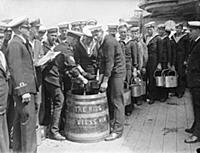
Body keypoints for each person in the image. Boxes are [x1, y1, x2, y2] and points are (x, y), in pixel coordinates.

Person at [42, 39, 88, 140]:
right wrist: (82, 79)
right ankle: (54, 131)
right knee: (59, 101)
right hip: (52, 78)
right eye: (77, 42)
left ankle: (60, 125)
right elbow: (72, 68)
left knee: (55, 102)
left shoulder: (60, 46)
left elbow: (64, 66)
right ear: (73, 40)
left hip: (49, 76)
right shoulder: (67, 51)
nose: (77, 44)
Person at [6, 16, 38, 153]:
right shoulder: (15, 44)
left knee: (21, 122)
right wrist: (23, 90)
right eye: (27, 27)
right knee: (28, 124)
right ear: (20, 29)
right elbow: (16, 68)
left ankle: (19, 150)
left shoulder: (21, 43)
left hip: (26, 89)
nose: (29, 29)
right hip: (24, 91)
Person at [89, 25, 126, 141]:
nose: (95, 37)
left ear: (101, 31)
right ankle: (112, 124)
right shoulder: (102, 42)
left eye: (97, 34)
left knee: (117, 100)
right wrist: (99, 78)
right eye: (93, 35)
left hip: (117, 73)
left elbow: (110, 63)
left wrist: (104, 81)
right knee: (111, 99)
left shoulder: (109, 42)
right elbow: (102, 62)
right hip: (111, 73)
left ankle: (118, 131)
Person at [184, 21, 200, 143]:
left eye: (191, 31)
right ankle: (195, 127)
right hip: (194, 81)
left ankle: (197, 134)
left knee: (198, 107)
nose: (189, 33)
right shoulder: (195, 42)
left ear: (198, 31)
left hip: (198, 81)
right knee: (195, 106)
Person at [144, 21, 163, 104]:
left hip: (154, 61)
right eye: (148, 29)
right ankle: (148, 94)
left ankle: (153, 97)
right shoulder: (146, 38)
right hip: (147, 61)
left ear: (154, 29)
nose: (149, 31)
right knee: (147, 78)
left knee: (152, 79)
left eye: (150, 29)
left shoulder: (158, 38)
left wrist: (159, 63)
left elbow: (160, 52)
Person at [171, 23, 190, 98]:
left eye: (179, 28)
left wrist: (186, 60)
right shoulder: (173, 37)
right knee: (174, 74)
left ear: (182, 29)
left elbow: (187, 50)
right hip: (174, 58)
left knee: (181, 74)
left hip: (181, 58)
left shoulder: (185, 38)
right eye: (177, 28)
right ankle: (174, 90)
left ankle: (180, 91)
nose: (178, 30)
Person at [157, 24, 173, 102]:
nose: (160, 31)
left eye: (161, 30)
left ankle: (164, 95)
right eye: (159, 29)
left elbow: (169, 52)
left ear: (164, 30)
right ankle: (160, 94)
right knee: (159, 78)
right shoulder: (158, 38)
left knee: (164, 78)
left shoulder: (167, 40)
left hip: (164, 61)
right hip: (159, 61)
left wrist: (169, 62)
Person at [0, 41, 9, 153]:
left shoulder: (2, 54)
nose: (0, 41)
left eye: (1, 37)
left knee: (3, 127)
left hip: (3, 96)